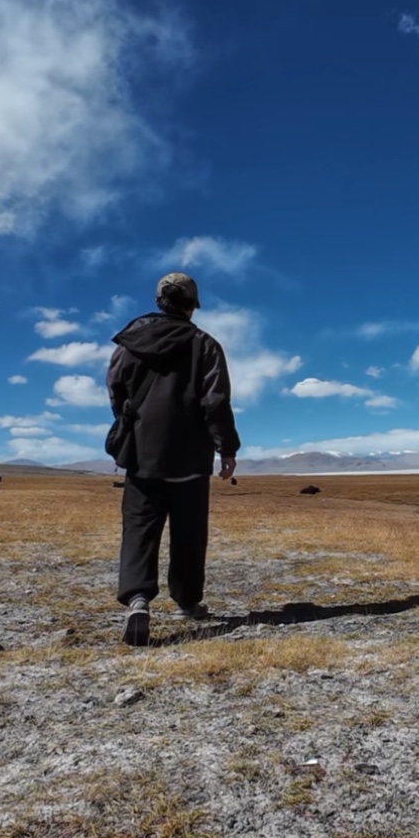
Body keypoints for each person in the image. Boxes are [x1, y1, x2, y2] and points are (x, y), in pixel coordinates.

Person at [106, 272, 240, 646]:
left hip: (142, 455)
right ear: (191, 306)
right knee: (190, 533)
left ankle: (137, 600)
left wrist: (133, 423)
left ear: (159, 301)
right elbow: (215, 401)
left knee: (139, 528)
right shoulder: (205, 344)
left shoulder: (128, 344)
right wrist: (226, 448)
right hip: (191, 458)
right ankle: (188, 602)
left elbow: (115, 390)